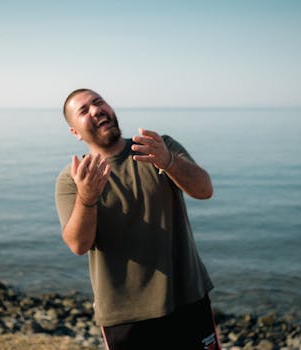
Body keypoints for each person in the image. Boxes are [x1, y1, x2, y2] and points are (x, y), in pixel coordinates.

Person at [55, 88, 221, 349]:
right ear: (75, 132)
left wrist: (169, 162)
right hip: (125, 315)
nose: (96, 110)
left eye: (98, 102)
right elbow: (78, 244)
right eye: (84, 111)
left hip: (187, 297)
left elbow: (204, 190)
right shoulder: (73, 179)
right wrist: (87, 198)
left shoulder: (157, 148)